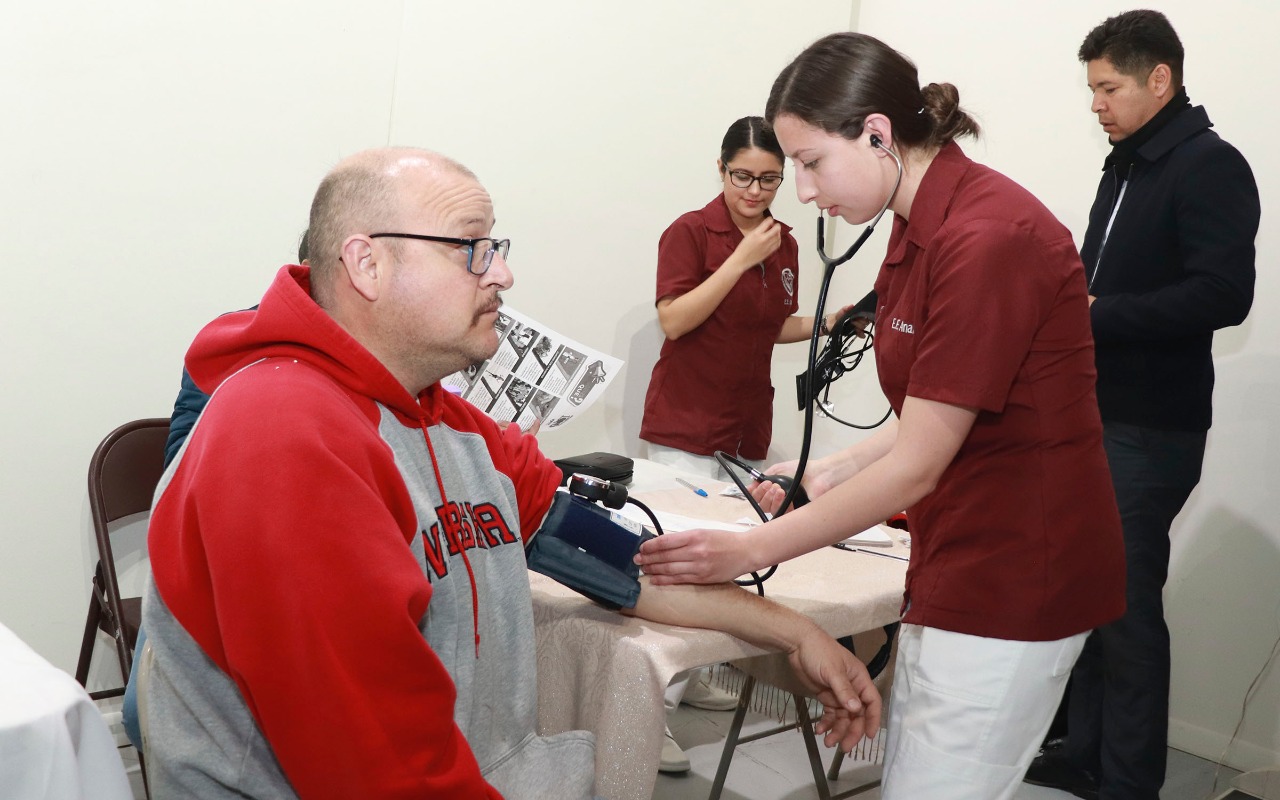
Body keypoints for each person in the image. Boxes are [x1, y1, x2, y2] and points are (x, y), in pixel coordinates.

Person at [138, 146, 881, 799]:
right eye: (472, 248)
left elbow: (620, 564)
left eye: (496, 247)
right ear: (367, 265)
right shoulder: (282, 433)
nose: (503, 273)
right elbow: (378, 773)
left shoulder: (457, 428)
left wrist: (795, 635)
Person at [636, 32, 1126, 800]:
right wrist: (833, 467)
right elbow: (940, 407)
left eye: (809, 163)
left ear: (876, 133)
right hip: (953, 552)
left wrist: (749, 552)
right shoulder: (916, 225)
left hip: (1017, 568)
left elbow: (920, 462)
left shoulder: (987, 237)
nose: (801, 191)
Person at [1024, 11, 1258, 800]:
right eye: (1092, 89)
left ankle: (1129, 782)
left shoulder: (1210, 165)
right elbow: (1091, 279)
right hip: (1094, 414)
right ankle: (1084, 753)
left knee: (1124, 609)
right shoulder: (1124, 166)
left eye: (1108, 88)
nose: (1096, 104)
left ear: (1160, 79)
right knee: (1089, 593)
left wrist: (1096, 314)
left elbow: (1224, 294)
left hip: (1151, 427)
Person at [639, 115, 855, 481]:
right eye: (743, 176)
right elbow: (673, 322)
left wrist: (828, 323)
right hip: (686, 430)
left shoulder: (784, 243)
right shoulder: (691, 231)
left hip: (748, 433)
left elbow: (770, 326)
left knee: (743, 517)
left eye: (769, 179)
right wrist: (740, 260)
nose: (755, 191)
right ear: (721, 168)